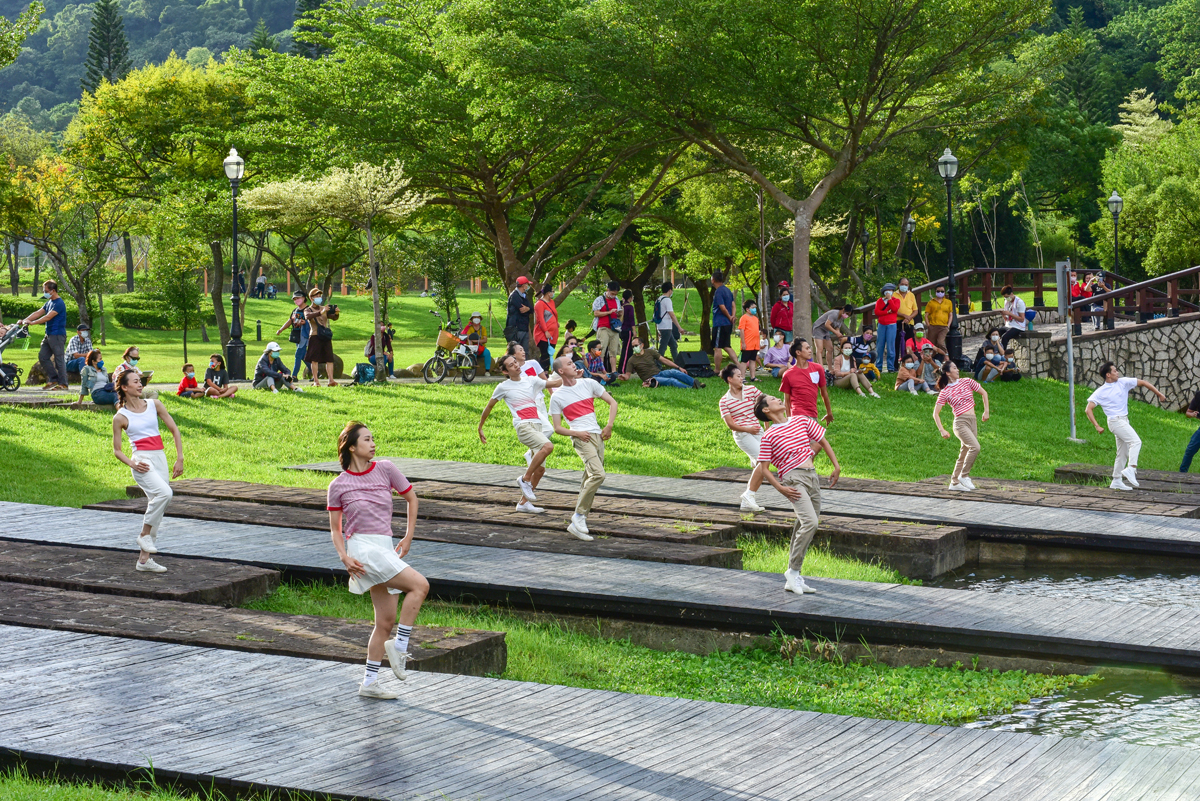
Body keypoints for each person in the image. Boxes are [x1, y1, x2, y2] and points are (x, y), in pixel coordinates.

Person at [326, 422, 430, 699]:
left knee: (384, 623)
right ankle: (400, 645)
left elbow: (412, 498)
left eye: (374, 439)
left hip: (385, 547)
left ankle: (369, 683)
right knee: (420, 586)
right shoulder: (338, 485)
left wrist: (408, 537)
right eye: (367, 439)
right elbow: (336, 529)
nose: (373, 444)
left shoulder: (385, 469)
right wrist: (344, 557)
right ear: (352, 446)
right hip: (363, 551)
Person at [752, 393, 841, 594]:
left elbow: (823, 440)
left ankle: (794, 576)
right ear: (766, 410)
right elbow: (764, 468)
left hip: (812, 477)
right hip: (793, 479)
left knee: (804, 523)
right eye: (773, 399)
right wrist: (781, 488)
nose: (778, 400)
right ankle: (792, 572)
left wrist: (836, 466)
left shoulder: (801, 420)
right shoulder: (769, 435)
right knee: (811, 522)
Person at [112, 369, 184, 573]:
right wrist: (132, 464)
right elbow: (117, 450)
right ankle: (144, 535)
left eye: (140, 381)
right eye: (135, 382)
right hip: (142, 462)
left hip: (159, 458)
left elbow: (174, 430)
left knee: (159, 507)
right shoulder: (120, 417)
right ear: (125, 387)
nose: (140, 384)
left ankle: (143, 561)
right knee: (164, 494)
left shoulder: (155, 405)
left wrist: (179, 457)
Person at [478, 353, 564, 514]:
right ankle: (524, 479)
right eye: (511, 365)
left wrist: (569, 374)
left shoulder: (531, 381)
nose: (516, 365)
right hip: (524, 426)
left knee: (540, 470)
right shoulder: (503, 387)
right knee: (548, 446)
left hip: (536, 426)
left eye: (515, 362)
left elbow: (555, 382)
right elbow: (489, 407)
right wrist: (480, 426)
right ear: (505, 371)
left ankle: (523, 504)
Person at [550, 356, 618, 541]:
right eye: (569, 364)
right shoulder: (557, 397)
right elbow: (557, 427)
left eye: (573, 363)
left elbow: (613, 403)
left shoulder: (588, 384)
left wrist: (609, 425)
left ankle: (578, 523)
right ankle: (579, 516)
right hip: (581, 438)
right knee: (598, 475)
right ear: (561, 371)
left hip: (597, 436)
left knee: (589, 478)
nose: (574, 365)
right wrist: (577, 433)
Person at [1085, 362, 1166, 491]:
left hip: (1124, 420)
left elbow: (1144, 383)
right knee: (1136, 441)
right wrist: (1096, 426)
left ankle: (1116, 480)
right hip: (1115, 422)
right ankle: (1131, 468)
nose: (1117, 372)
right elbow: (1088, 409)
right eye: (1115, 371)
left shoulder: (1123, 382)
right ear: (1108, 374)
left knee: (1122, 453)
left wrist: (1159, 394)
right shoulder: (1100, 392)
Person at [933, 362, 989, 491]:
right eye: (954, 368)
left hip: (972, 421)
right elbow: (935, 413)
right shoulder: (945, 391)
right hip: (960, 423)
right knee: (975, 447)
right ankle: (964, 476)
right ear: (948, 373)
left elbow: (984, 393)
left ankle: (954, 482)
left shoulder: (967, 381)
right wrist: (942, 430)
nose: (957, 369)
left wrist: (986, 411)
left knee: (964, 452)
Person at [719, 364, 768, 511]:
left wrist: (767, 429)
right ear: (729, 379)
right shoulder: (724, 401)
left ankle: (748, 501)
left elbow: (765, 406)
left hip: (758, 432)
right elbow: (730, 425)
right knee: (763, 460)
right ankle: (748, 495)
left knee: (762, 464)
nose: (742, 378)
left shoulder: (751, 390)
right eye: (738, 376)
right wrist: (747, 429)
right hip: (743, 434)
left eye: (742, 375)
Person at [19, 279, 69, 390]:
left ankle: (63, 384)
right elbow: (38, 313)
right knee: (43, 356)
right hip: (49, 335)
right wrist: (24, 320)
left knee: (59, 359)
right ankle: (53, 379)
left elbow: (48, 317)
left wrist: (32, 323)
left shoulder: (59, 303)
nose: (44, 293)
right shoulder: (49, 302)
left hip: (57, 335)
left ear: (53, 291)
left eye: (45, 290)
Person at [779, 339, 833, 423]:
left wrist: (829, 413)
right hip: (796, 416)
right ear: (798, 352)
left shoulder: (818, 368)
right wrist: (788, 421)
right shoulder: (788, 374)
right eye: (807, 348)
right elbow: (787, 400)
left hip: (813, 414)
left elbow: (824, 392)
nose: (810, 351)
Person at [619, 335, 702, 389]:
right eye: (633, 346)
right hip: (651, 379)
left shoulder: (650, 352)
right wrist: (624, 377)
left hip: (659, 373)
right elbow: (628, 375)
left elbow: (664, 360)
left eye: (636, 346)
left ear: (642, 345)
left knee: (674, 372)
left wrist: (678, 367)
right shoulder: (631, 360)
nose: (634, 348)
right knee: (671, 381)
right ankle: (690, 388)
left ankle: (694, 382)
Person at [304, 286, 338, 386]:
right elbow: (307, 317)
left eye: (319, 295)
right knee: (314, 360)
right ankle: (316, 381)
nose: (319, 297)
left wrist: (336, 313)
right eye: (316, 295)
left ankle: (331, 380)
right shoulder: (308, 309)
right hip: (315, 336)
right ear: (311, 298)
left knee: (329, 359)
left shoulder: (324, 308)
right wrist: (320, 312)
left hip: (325, 337)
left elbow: (333, 318)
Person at [276, 290, 310, 379]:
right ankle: (316, 373)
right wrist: (281, 329)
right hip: (297, 335)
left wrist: (305, 322)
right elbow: (290, 321)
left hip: (305, 335)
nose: (296, 300)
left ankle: (294, 376)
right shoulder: (295, 310)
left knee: (298, 355)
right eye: (294, 299)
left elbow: (315, 322)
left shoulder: (308, 310)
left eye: (298, 298)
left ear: (304, 298)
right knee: (303, 356)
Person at [591, 280, 622, 373]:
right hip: (603, 327)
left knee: (614, 351)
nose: (614, 295)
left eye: (615, 294)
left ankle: (613, 371)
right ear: (607, 290)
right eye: (612, 293)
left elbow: (618, 314)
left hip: (614, 328)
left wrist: (619, 313)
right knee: (601, 350)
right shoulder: (600, 299)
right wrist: (609, 312)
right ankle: (601, 371)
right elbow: (596, 313)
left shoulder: (616, 300)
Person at [710, 271, 738, 373]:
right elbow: (733, 305)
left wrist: (729, 316)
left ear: (713, 280)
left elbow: (722, 307)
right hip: (728, 324)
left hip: (720, 323)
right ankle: (738, 365)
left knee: (717, 347)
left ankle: (717, 370)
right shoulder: (728, 290)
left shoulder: (718, 292)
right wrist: (732, 316)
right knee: (727, 346)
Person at [811, 305, 850, 370]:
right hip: (818, 328)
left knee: (830, 349)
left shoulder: (841, 318)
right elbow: (827, 324)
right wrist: (836, 332)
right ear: (843, 309)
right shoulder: (834, 314)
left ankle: (830, 368)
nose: (847, 315)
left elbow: (837, 327)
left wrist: (839, 334)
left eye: (849, 315)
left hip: (826, 331)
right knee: (820, 348)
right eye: (847, 313)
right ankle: (821, 367)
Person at [873, 283, 900, 372]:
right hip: (881, 325)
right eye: (887, 291)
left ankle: (890, 367)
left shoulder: (896, 300)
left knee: (890, 346)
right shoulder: (879, 301)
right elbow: (877, 312)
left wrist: (890, 300)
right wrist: (887, 312)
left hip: (891, 325)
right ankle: (879, 366)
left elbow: (895, 309)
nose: (889, 292)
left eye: (891, 291)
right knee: (879, 346)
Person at [654, 282, 682, 361]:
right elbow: (672, 315)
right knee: (662, 348)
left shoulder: (659, 299)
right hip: (666, 327)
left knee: (673, 345)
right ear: (670, 290)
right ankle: (657, 365)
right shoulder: (667, 300)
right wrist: (679, 327)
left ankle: (677, 364)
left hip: (661, 325)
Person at [533, 282, 559, 368]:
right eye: (552, 291)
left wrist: (556, 322)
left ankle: (548, 371)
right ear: (548, 293)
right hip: (543, 334)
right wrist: (546, 331)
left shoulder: (552, 302)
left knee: (550, 353)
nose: (553, 293)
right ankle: (543, 372)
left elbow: (554, 313)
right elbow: (540, 319)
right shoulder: (539, 304)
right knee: (545, 355)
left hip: (553, 333)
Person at [505, 276, 533, 353]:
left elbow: (531, 309)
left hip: (524, 328)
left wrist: (528, 309)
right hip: (516, 329)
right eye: (527, 284)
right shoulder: (514, 296)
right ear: (524, 285)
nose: (528, 286)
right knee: (516, 352)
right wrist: (528, 309)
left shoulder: (524, 296)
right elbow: (521, 310)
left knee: (525, 352)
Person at [737, 298, 762, 381]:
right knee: (744, 361)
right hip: (747, 343)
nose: (755, 309)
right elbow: (742, 330)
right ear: (747, 309)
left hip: (755, 344)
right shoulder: (744, 318)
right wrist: (743, 343)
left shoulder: (755, 319)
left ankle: (753, 377)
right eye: (753, 307)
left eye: (755, 307)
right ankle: (742, 377)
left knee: (753, 360)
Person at [924, 286, 953, 354]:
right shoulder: (931, 302)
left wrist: (948, 325)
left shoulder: (948, 302)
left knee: (940, 342)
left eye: (942, 291)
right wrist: (928, 325)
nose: (940, 292)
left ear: (945, 292)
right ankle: (931, 359)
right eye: (938, 291)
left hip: (943, 326)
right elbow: (926, 315)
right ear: (935, 292)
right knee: (931, 345)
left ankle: (946, 356)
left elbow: (950, 314)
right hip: (933, 326)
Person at [894, 278, 918, 361]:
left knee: (909, 344)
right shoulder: (893, 295)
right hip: (897, 322)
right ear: (899, 285)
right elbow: (892, 309)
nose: (904, 286)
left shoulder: (911, 295)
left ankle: (909, 362)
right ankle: (895, 365)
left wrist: (909, 318)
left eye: (906, 285)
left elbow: (915, 310)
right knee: (896, 343)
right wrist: (904, 315)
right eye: (902, 284)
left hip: (909, 322)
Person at [999, 285, 1026, 350]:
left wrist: (1010, 314)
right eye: (1005, 297)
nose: (1006, 298)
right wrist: (1004, 315)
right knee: (996, 333)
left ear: (1011, 294)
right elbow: (1006, 318)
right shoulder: (1007, 301)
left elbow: (1022, 319)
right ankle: (994, 350)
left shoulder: (1019, 302)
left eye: (1007, 297)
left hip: (1018, 326)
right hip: (1009, 324)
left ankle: (1003, 354)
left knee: (1005, 337)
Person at [1181, 389, 1200, 472]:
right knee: (1190, 449)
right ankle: (1182, 473)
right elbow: (1188, 413)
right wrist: (1193, 414)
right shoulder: (1198, 396)